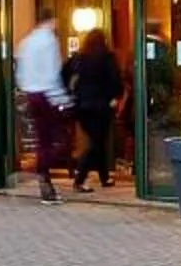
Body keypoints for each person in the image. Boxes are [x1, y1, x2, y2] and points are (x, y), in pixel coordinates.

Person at [13, 12, 70, 203]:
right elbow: (53, 73)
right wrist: (62, 99)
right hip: (47, 95)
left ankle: (44, 178)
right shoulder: (49, 41)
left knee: (42, 139)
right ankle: (43, 175)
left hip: (32, 95)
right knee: (58, 141)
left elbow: (20, 75)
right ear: (51, 20)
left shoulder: (26, 42)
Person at [66, 28, 123, 193]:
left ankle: (104, 177)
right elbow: (115, 80)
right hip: (101, 106)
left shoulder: (79, 58)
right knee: (97, 143)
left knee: (97, 142)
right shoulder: (107, 58)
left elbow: (64, 73)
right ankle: (80, 179)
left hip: (82, 107)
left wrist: (71, 94)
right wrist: (115, 96)